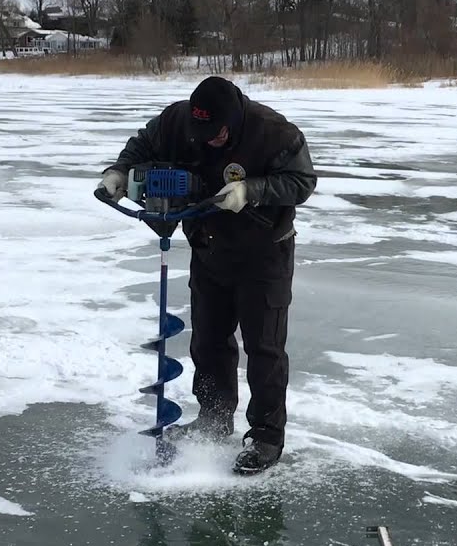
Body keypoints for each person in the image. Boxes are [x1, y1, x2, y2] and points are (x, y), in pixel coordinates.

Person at [99, 76, 317, 474]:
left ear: (233, 122)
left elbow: (303, 182)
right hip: (208, 246)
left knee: (264, 347)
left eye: (215, 135)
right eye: (201, 134)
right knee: (209, 341)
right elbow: (142, 145)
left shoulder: (273, 132)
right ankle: (214, 420)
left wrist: (250, 190)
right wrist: (119, 170)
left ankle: (266, 437)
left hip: (264, 252)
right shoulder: (177, 121)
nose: (208, 141)